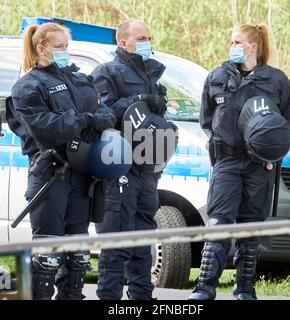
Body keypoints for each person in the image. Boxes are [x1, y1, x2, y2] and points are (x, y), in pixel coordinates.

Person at [189, 24, 290, 300]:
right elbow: (206, 120)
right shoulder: (217, 77)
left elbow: (287, 124)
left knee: (251, 225)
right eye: (232, 40)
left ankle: (245, 288)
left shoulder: (277, 81)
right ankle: (204, 288)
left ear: (253, 46)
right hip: (226, 162)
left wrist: (272, 152)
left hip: (259, 166)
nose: (232, 45)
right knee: (219, 223)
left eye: (237, 41)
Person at [10, 22, 116, 300]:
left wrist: (98, 119)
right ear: (41, 48)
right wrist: (86, 120)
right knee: (47, 253)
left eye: (66, 47)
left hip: (82, 174)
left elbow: (102, 110)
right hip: (51, 175)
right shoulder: (27, 86)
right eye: (59, 47)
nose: (64, 52)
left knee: (78, 253)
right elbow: (45, 128)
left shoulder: (81, 80)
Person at [91, 19, 168, 300]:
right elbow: (103, 114)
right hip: (118, 165)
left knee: (143, 239)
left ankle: (142, 298)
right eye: (141, 38)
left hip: (147, 167)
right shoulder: (107, 72)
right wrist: (138, 99)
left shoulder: (153, 74)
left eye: (149, 36)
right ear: (123, 43)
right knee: (116, 240)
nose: (148, 42)